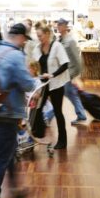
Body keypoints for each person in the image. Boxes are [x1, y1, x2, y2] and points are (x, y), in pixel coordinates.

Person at [0, 23, 38, 198]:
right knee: (2, 155)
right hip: (8, 110)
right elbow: (26, 83)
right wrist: (35, 81)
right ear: (20, 37)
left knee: (9, 151)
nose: (24, 42)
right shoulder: (16, 56)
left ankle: (16, 189)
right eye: (24, 38)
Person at [32, 21, 71, 150]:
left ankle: (62, 141)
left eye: (41, 36)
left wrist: (52, 75)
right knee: (37, 108)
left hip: (56, 84)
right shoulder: (37, 48)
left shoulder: (57, 46)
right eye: (37, 36)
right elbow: (36, 66)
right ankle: (36, 134)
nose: (39, 38)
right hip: (43, 85)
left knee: (58, 112)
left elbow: (65, 64)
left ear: (48, 34)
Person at [54, 18, 87, 124]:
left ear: (65, 26)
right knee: (70, 94)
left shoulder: (70, 40)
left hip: (68, 73)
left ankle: (47, 116)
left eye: (60, 25)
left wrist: (75, 74)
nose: (58, 27)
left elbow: (77, 60)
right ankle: (81, 115)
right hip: (62, 73)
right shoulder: (59, 40)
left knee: (59, 95)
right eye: (57, 25)